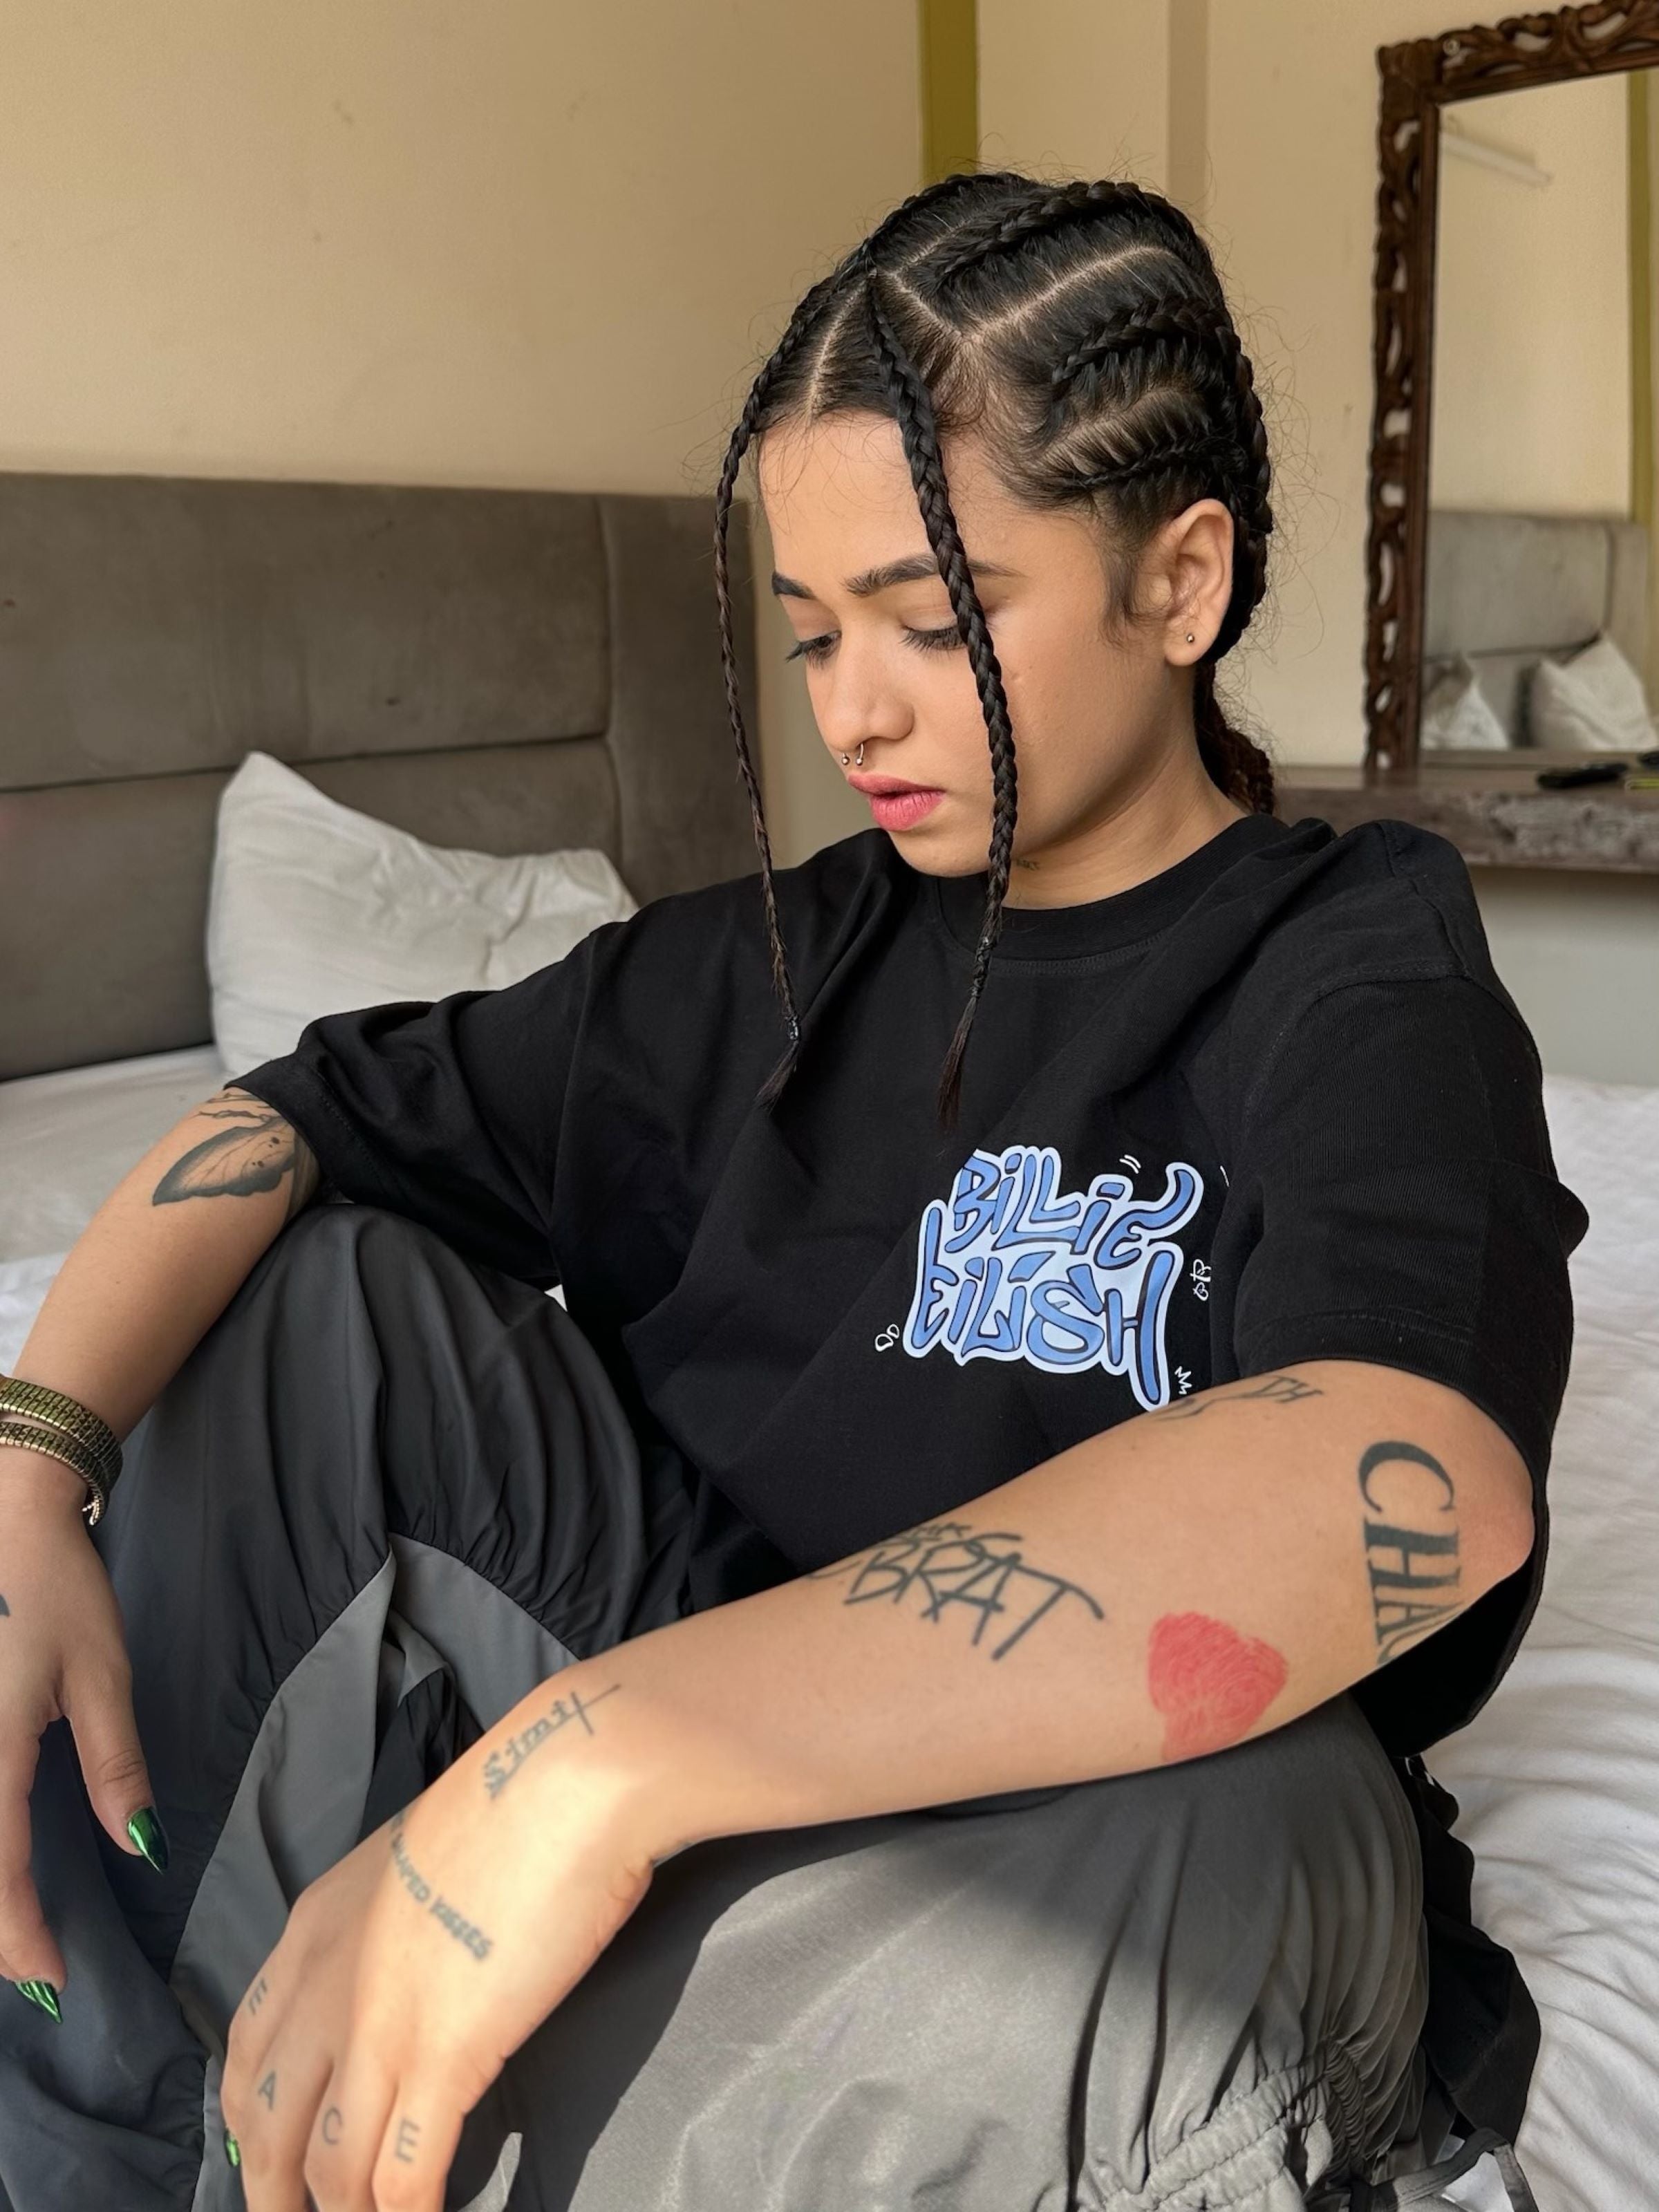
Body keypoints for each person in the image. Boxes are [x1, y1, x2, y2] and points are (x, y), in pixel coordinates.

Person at [0, 172, 1582, 2212]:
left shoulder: (1352, 966)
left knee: (1248, 1830)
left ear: (1180, 582)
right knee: (316, 1301)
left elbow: (1406, 1465)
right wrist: (33, 1463)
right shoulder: (765, 962)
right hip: (704, 1704)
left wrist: (589, 1756)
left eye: (937, 620)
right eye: (815, 631)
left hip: (1078, 1816)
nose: (852, 709)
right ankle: (107, 2147)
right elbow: (292, 1113)